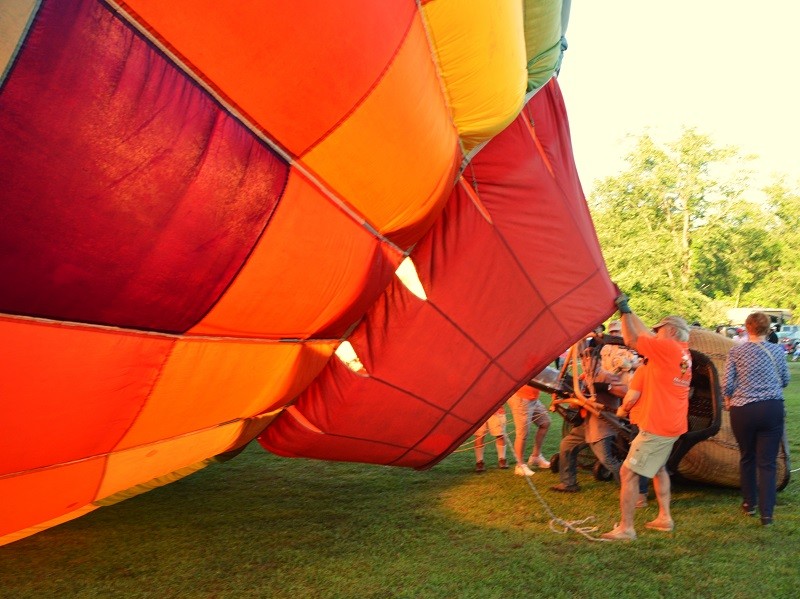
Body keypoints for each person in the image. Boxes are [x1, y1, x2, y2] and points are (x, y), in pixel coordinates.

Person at [601, 295, 692, 541]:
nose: (655, 335)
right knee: (659, 468)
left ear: (671, 331)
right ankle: (664, 518)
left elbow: (631, 338)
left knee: (628, 473)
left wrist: (624, 310)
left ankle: (626, 529)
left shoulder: (668, 349)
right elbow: (646, 336)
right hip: (671, 424)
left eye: (659, 331)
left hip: (657, 426)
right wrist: (629, 312)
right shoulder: (683, 354)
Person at [722, 311, 790, 525]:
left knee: (747, 457)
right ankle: (767, 514)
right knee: (767, 462)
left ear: (747, 327)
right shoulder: (777, 351)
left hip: (743, 409)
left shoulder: (736, 353)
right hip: (771, 407)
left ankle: (748, 504)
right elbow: (785, 380)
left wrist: (729, 397)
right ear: (768, 329)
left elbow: (728, 384)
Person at [550, 344, 636, 493]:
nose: (584, 363)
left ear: (597, 361)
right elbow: (578, 402)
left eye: (588, 360)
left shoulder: (606, 375)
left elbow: (625, 392)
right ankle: (568, 483)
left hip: (603, 424)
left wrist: (605, 387)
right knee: (567, 445)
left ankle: (632, 488)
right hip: (588, 423)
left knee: (607, 460)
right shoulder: (584, 378)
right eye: (583, 360)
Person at [508, 384, 551, 476]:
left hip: (533, 398)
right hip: (521, 397)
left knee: (545, 423)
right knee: (522, 433)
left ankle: (536, 457)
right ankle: (519, 465)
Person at [473, 405, 508, 472]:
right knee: (479, 435)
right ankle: (479, 462)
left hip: (497, 410)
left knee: (500, 435)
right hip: (478, 410)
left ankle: (502, 459)